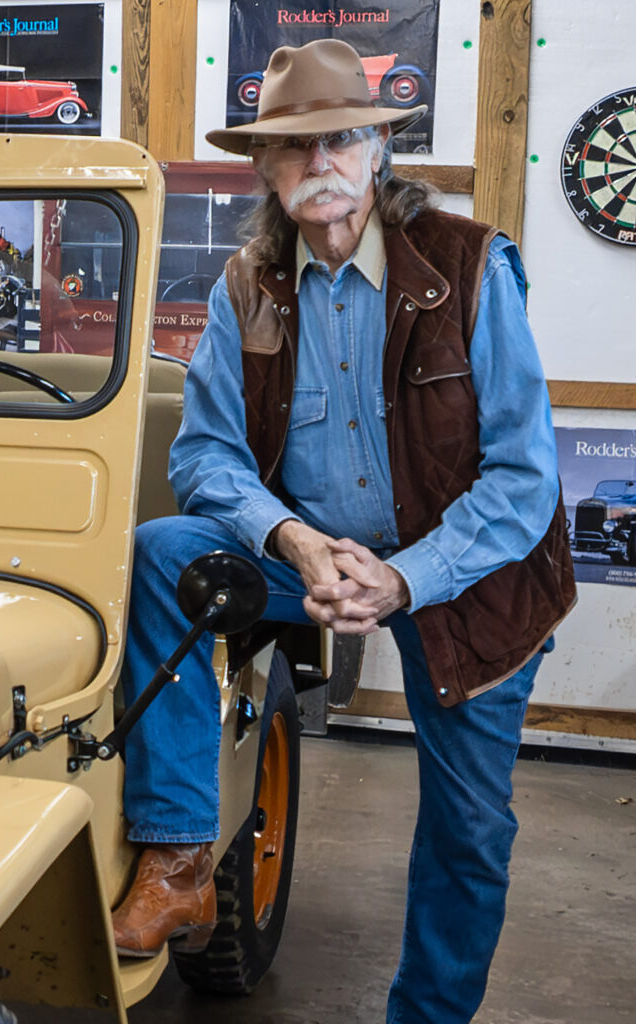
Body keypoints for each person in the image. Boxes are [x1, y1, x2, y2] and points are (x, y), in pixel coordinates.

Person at [111, 39, 576, 1024]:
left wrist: (401, 581)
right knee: (162, 552)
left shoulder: (472, 266)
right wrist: (291, 539)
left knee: (467, 828)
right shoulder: (248, 287)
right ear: (264, 169)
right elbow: (204, 459)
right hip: (311, 559)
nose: (318, 161)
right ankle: (183, 851)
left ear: (377, 152)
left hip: (465, 582)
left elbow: (525, 479)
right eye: (292, 147)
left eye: (341, 139)